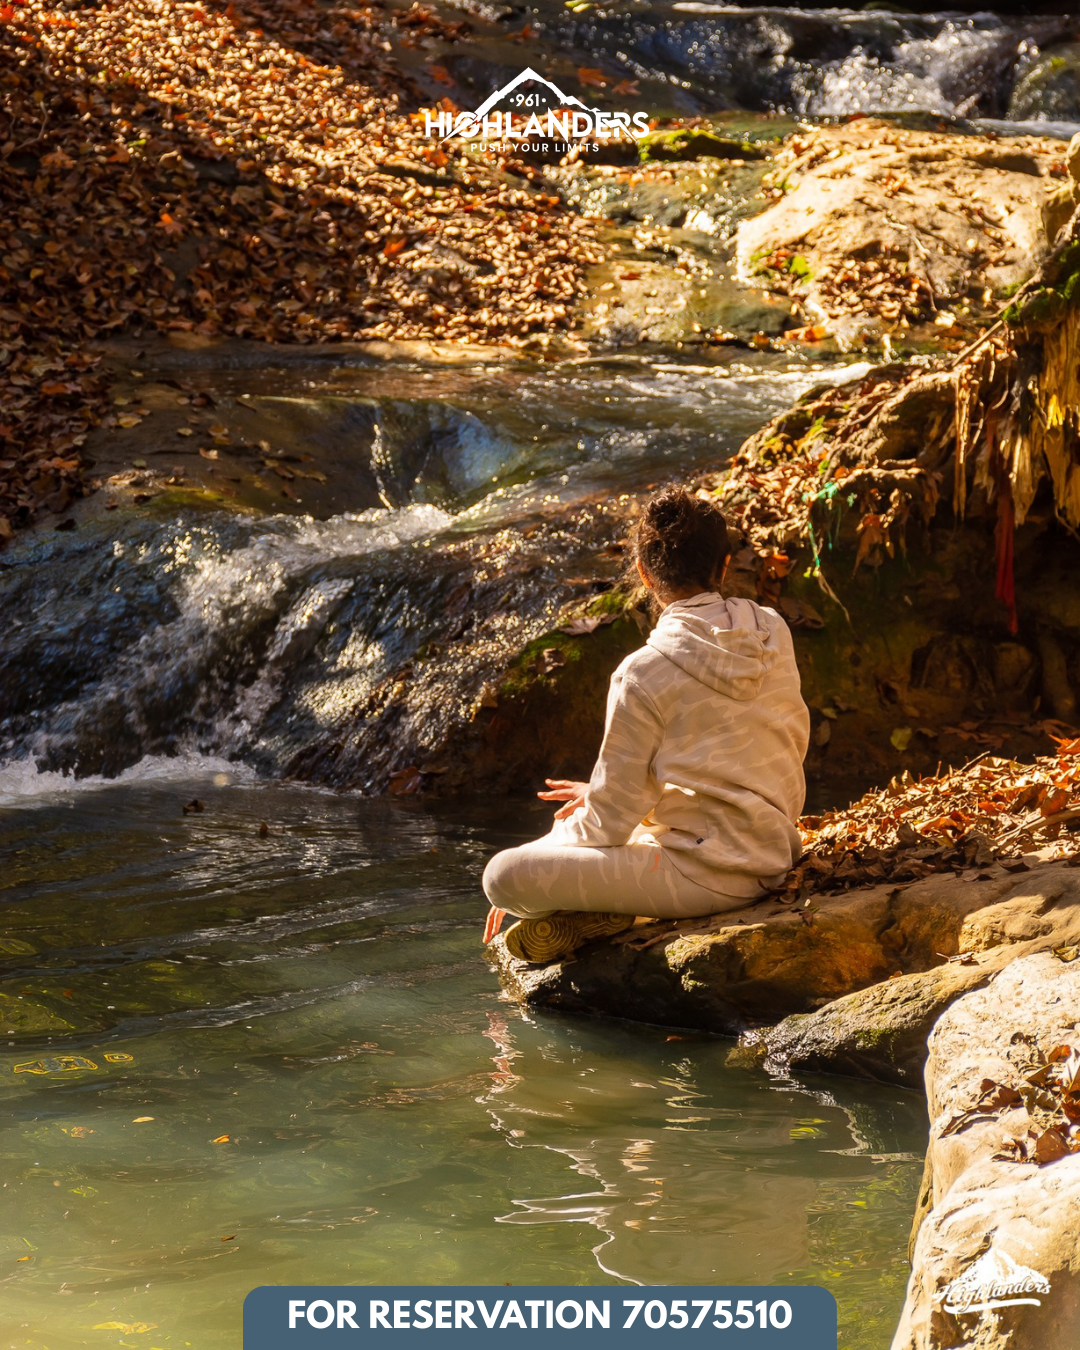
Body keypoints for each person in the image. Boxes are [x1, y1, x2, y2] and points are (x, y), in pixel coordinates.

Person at [481, 485, 811, 965]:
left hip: (708, 876)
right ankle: (602, 911)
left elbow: (609, 822)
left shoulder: (642, 671)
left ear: (643, 574)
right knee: (585, 821)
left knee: (501, 875)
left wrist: (544, 852)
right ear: (723, 567)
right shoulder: (772, 629)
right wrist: (599, 794)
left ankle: (602, 910)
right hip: (775, 853)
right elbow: (733, 758)